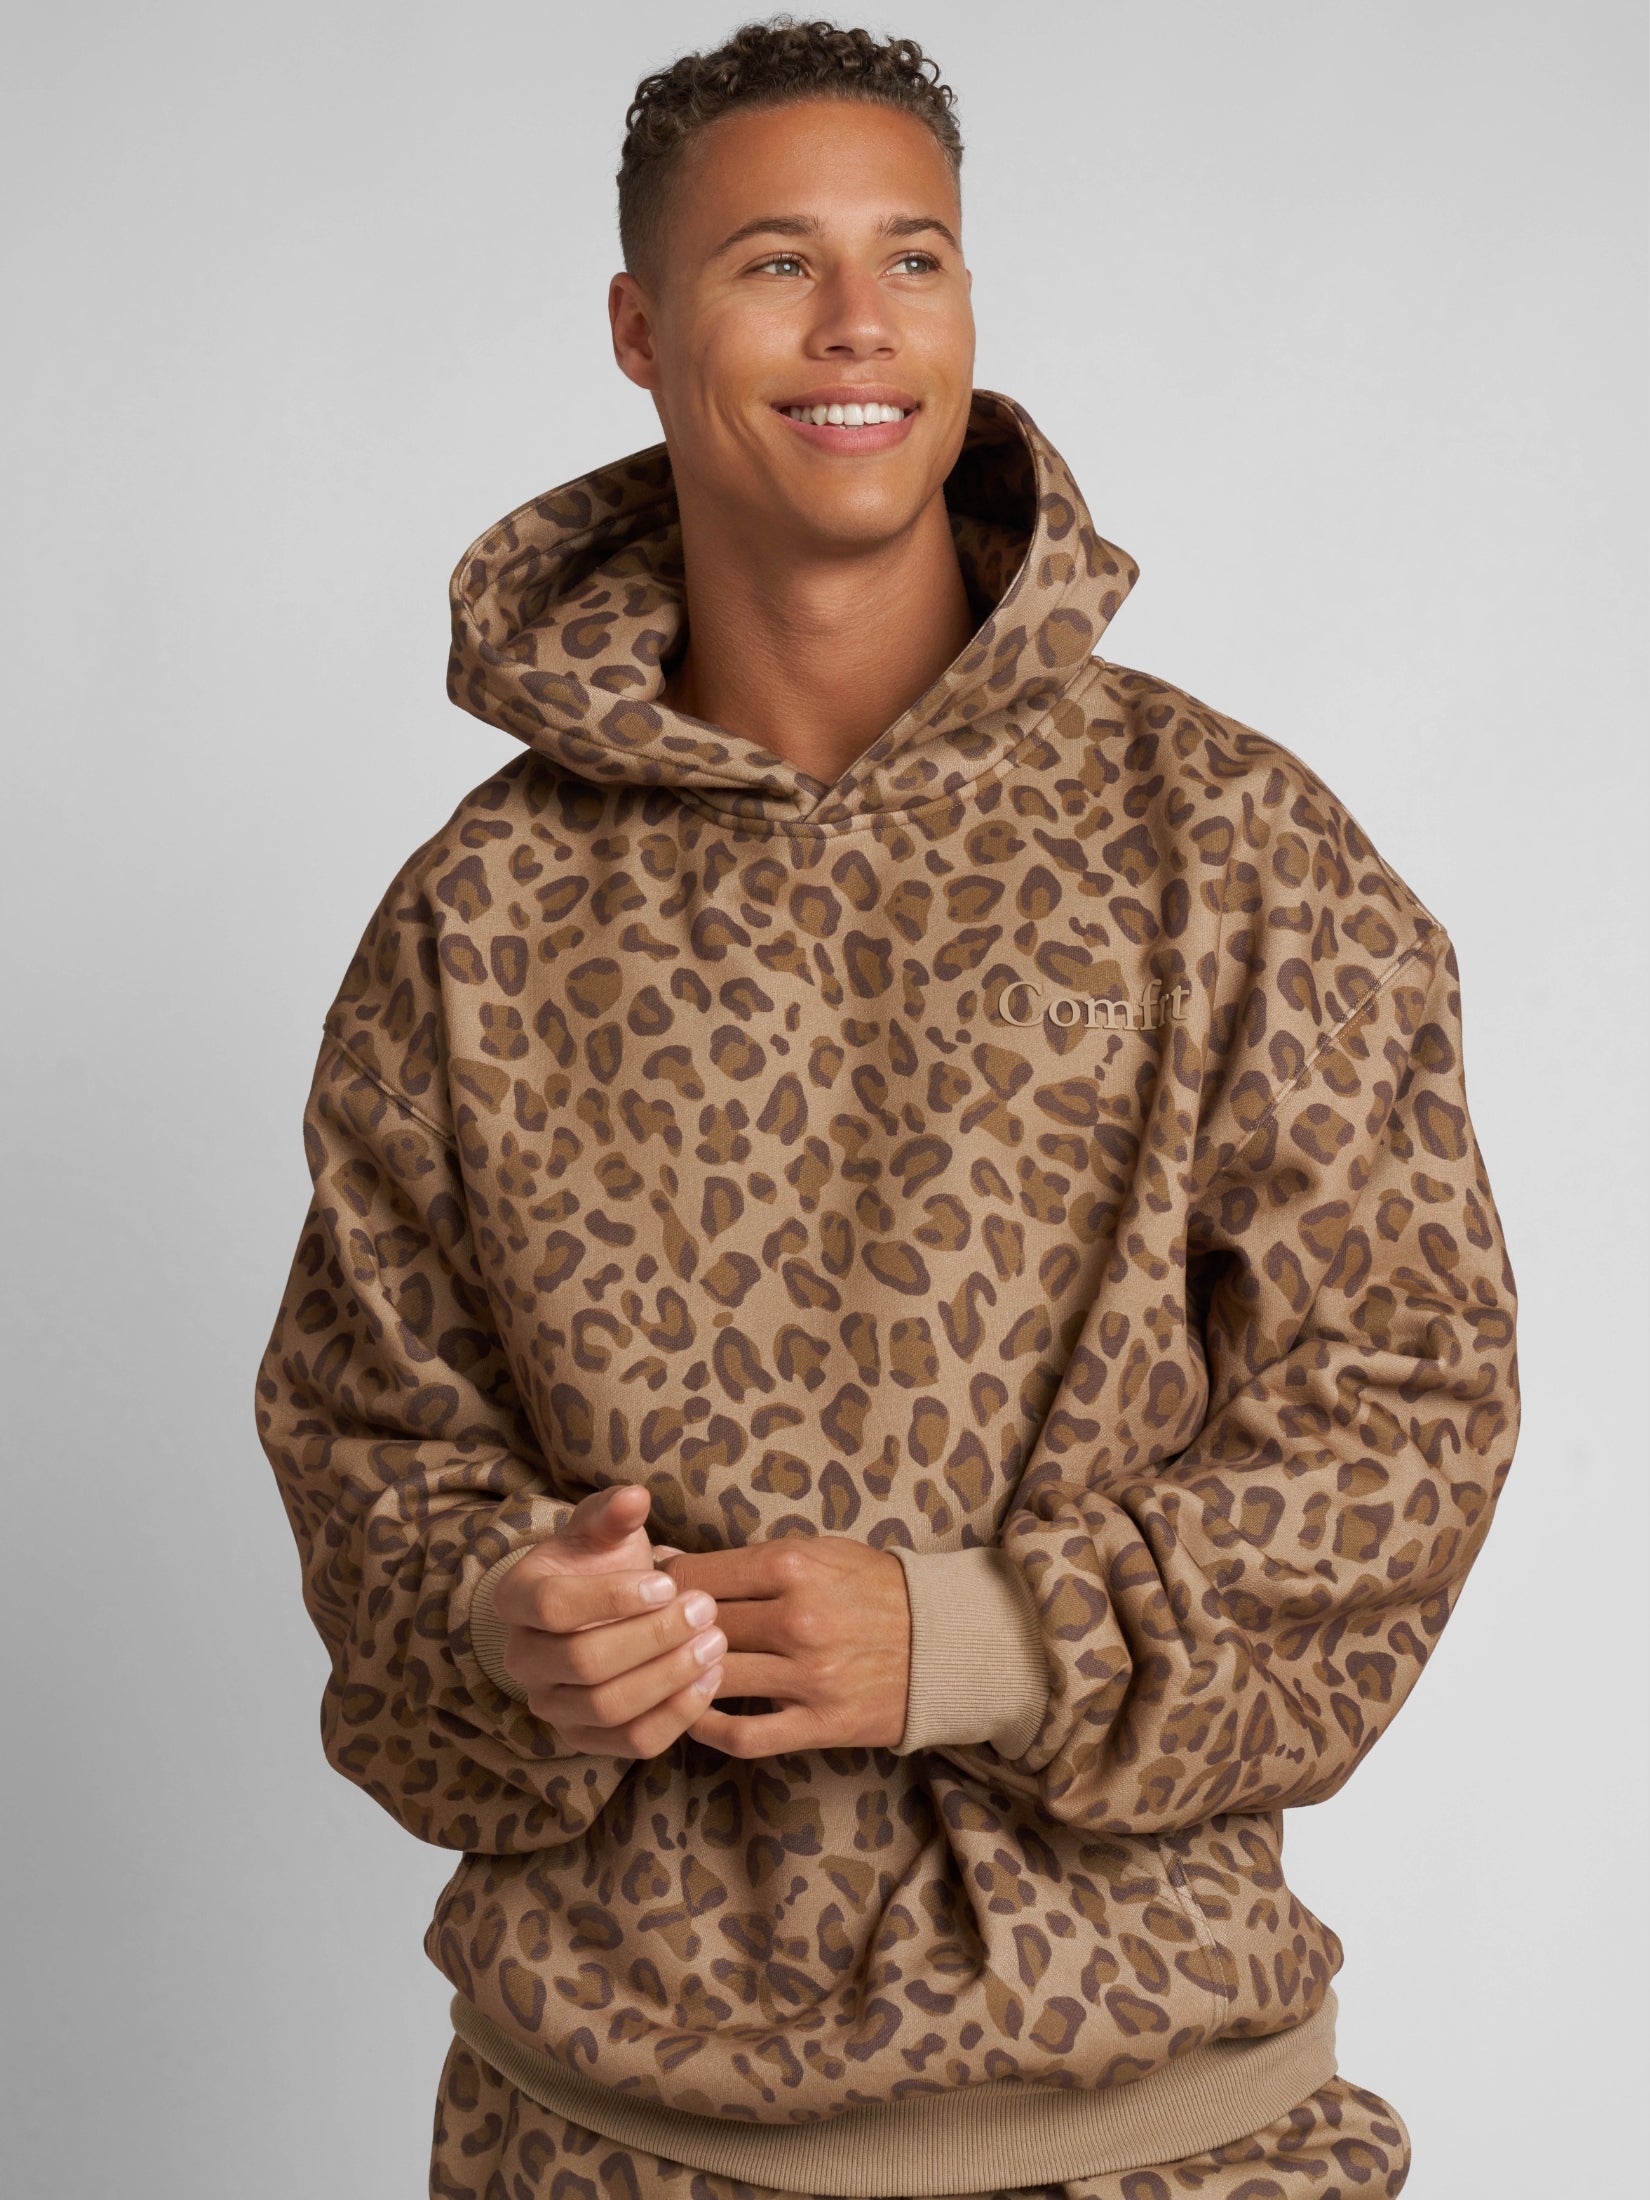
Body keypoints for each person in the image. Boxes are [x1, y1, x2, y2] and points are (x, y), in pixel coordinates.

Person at [252, 18, 1519, 2199]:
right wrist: (499, 1617)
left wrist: (979, 1637)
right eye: (776, 261)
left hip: (1156, 2133)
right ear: (640, 329)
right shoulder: (479, 911)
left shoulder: (1229, 843)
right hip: (597, 2141)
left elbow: (1407, 1407)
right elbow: (366, 1447)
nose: (859, 321)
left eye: (912, 257)